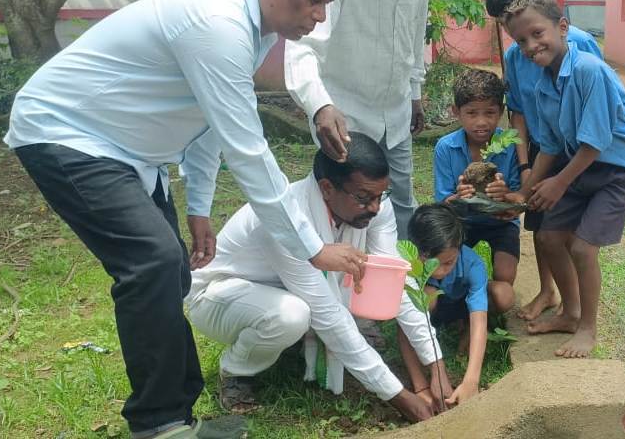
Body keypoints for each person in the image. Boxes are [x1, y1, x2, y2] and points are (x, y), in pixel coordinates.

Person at [3, 0, 365, 438]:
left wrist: (199, 207)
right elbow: (247, 150)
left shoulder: (251, 30)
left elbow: (206, 122)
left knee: (170, 271)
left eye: (326, 4)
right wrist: (312, 248)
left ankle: (177, 415)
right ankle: (160, 425)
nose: (319, 16)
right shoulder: (217, 25)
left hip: (129, 151)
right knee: (152, 262)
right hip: (66, 132)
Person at [187, 133, 447, 421]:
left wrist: (436, 363)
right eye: (364, 198)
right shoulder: (283, 219)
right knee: (292, 316)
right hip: (219, 297)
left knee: (369, 281)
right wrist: (398, 396)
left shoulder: (375, 206)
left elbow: (397, 282)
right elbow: (327, 313)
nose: (374, 207)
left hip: (283, 288)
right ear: (326, 188)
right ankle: (236, 369)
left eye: (380, 196)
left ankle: (296, 345)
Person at [501, 0, 625, 358]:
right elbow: (549, 144)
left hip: (615, 171)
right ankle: (569, 312)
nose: (531, 46)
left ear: (562, 27)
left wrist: (559, 183)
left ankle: (587, 329)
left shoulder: (588, 71)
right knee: (550, 237)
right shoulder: (541, 83)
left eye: (537, 34)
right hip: (578, 167)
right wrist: (526, 190)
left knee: (582, 247)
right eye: (521, 41)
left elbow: (596, 141)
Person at [285, 0, 432, 239]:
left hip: (396, 114)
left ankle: (405, 281)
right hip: (345, 121)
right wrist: (320, 106)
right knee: (347, 209)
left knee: (403, 204)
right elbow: (302, 48)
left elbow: (416, 29)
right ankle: (344, 279)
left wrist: (414, 91)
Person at [484, 0, 604, 322]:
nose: (520, 38)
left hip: (575, 150)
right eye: (509, 29)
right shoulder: (513, 57)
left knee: (565, 229)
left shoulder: (577, 44)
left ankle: (576, 304)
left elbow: (594, 107)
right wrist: (524, 166)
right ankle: (548, 291)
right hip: (542, 148)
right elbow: (518, 113)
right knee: (538, 224)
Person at [433, 68, 518, 314]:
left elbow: (519, 200)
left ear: (501, 112)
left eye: (490, 113)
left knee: (505, 276)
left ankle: (480, 301)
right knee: (447, 271)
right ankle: (463, 300)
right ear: (456, 112)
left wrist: (505, 193)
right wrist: (459, 197)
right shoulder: (446, 148)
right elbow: (443, 203)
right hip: (462, 221)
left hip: (501, 223)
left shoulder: (510, 145)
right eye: (471, 113)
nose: (481, 122)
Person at [398, 203, 489, 406]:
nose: (440, 271)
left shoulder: (473, 264)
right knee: (419, 304)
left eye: (449, 262)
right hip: (432, 305)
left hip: (458, 306)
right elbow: (405, 322)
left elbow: (480, 320)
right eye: (433, 263)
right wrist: (421, 386)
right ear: (419, 252)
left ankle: (462, 329)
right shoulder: (408, 264)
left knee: (501, 296)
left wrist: (470, 382)